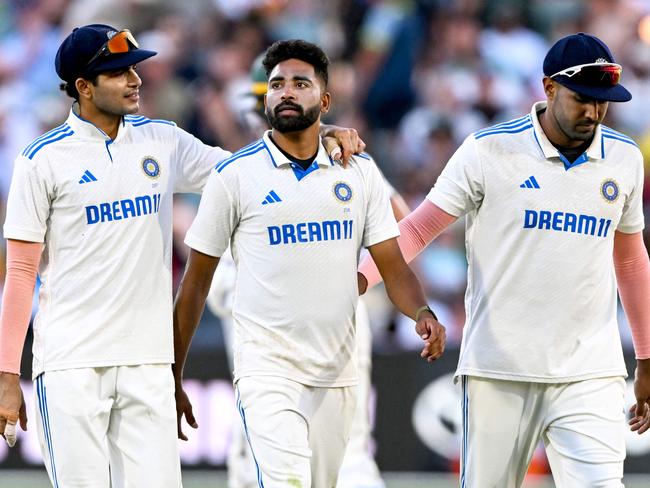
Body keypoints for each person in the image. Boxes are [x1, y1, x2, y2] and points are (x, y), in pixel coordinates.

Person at [0, 24, 363, 487]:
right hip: (72, 362)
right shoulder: (41, 159)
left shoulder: (162, 140)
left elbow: (247, 168)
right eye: (117, 73)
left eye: (133, 68)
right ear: (84, 88)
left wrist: (318, 129)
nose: (135, 80)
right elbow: (22, 270)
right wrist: (8, 373)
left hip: (150, 361)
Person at [359, 32, 650, 487]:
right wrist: (354, 282)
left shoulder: (624, 158)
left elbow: (631, 262)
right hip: (499, 369)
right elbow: (417, 229)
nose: (594, 112)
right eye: (582, 99)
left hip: (589, 371)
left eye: (603, 102)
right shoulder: (488, 150)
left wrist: (647, 359)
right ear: (549, 88)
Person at [172, 39, 446, 487]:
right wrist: (174, 372)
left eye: (300, 84)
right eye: (276, 84)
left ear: (325, 100)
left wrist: (421, 311)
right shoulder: (235, 175)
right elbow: (196, 283)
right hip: (267, 370)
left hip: (337, 371)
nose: (285, 92)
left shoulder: (357, 170)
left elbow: (394, 261)